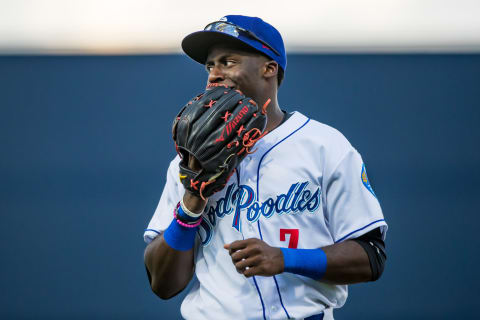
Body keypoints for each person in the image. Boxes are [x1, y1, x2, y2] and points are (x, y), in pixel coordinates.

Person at [143, 15, 387, 320]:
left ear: (269, 67)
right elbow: (162, 284)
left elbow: (371, 256)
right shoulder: (188, 161)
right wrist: (191, 205)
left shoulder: (325, 146)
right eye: (209, 66)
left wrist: (286, 258)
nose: (213, 75)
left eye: (228, 61)